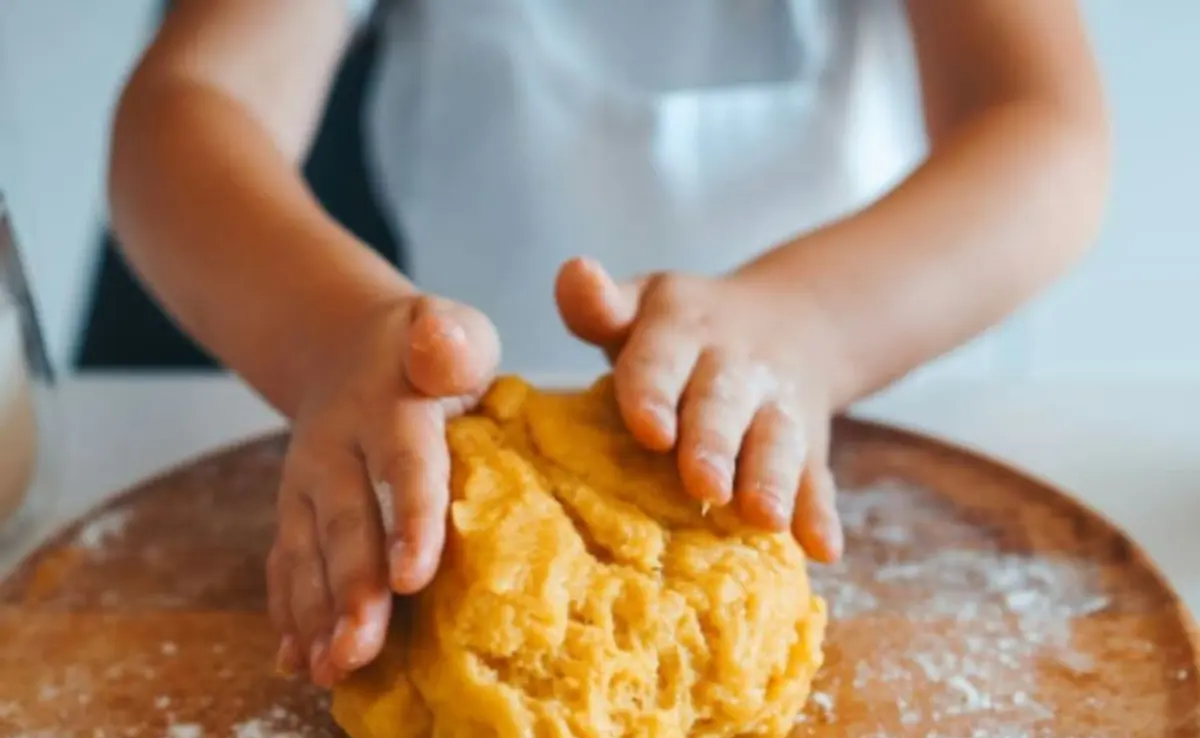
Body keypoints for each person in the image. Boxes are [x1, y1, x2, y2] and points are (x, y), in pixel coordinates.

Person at [107, 1, 1109, 689]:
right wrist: (333, 341)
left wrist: (817, 325)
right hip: (440, 431)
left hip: (872, 408)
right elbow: (188, 105)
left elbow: (1043, 127)